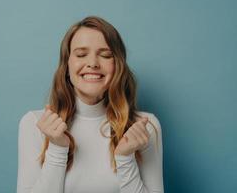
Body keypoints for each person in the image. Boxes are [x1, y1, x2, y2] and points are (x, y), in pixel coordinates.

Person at [17, 16, 164, 193]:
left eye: (105, 55)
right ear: (67, 65)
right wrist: (57, 147)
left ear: (118, 65)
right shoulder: (35, 123)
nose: (93, 63)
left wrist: (125, 159)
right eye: (81, 54)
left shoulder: (145, 127)